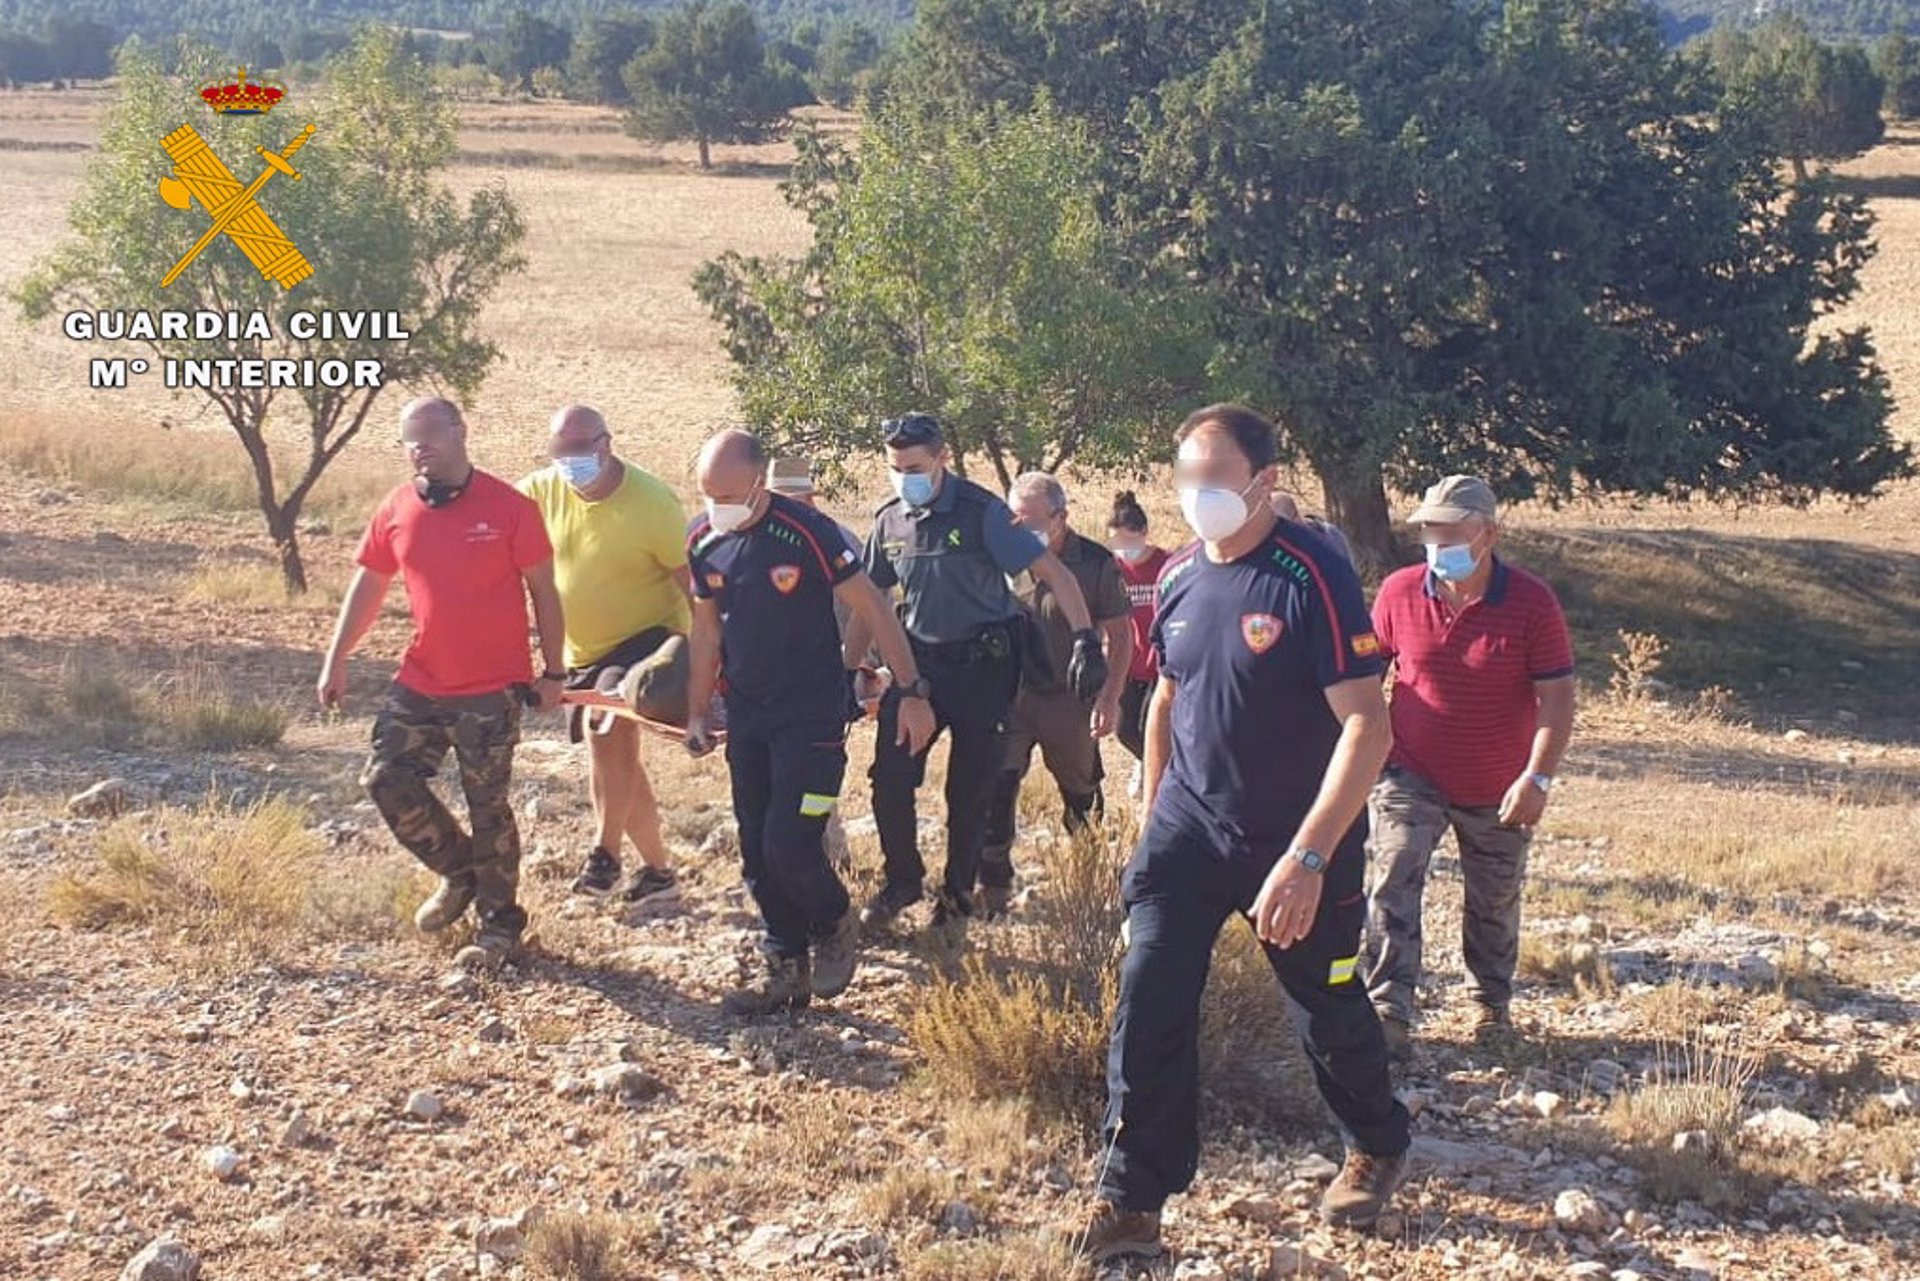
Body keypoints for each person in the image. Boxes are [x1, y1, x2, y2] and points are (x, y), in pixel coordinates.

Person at [1069, 404, 1411, 1263]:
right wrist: (1153, 815)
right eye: (1186, 476)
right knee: (1148, 997)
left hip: (1295, 843)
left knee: (1325, 1005)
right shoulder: (1181, 578)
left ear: (1264, 483)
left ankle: (1376, 1140)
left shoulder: (1311, 577)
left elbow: (1370, 727)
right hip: (1188, 832)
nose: (1198, 494)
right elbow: (1169, 700)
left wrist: (1308, 857)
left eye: (1216, 478)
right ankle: (1132, 1200)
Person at [683, 430, 936, 1014]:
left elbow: (874, 607)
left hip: (814, 720)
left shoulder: (806, 532)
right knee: (755, 849)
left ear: (757, 482)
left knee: (791, 841)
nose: (716, 505)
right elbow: (706, 631)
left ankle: (833, 922)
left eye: (727, 493)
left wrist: (911, 688)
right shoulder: (703, 541)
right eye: (705, 493)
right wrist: (697, 712)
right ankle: (785, 965)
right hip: (749, 717)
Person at [317, 397, 564, 970]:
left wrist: (552, 672)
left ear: (460, 432)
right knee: (386, 777)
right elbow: (368, 587)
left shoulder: (510, 508)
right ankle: (460, 874)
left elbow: (545, 594)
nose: (419, 447)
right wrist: (337, 658)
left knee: (488, 805)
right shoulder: (397, 508)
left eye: (429, 434)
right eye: (410, 439)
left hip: (491, 687)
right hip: (422, 680)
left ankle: (500, 926)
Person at [851, 414, 1108, 960]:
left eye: (914, 467)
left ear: (942, 458)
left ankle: (955, 904)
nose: (904, 479)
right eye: (895, 469)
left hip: (983, 668)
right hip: (917, 668)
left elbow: (1054, 574)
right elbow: (869, 603)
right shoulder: (890, 520)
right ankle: (902, 881)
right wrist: (848, 667)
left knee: (971, 791)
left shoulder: (982, 512)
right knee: (890, 778)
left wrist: (1086, 638)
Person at [1363, 475, 1575, 1057]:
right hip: (1410, 771)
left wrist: (1538, 777)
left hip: (1499, 782)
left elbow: (1557, 698)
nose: (1438, 542)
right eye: (1431, 530)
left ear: (1488, 534)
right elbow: (1368, 677)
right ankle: (1388, 1009)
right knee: (1393, 874)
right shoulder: (1399, 592)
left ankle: (1490, 1004)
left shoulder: (1532, 603)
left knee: (1495, 895)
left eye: (1452, 530)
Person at [517, 405, 692, 908]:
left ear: (605, 443)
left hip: (648, 638)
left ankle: (604, 855)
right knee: (618, 762)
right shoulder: (537, 492)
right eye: (559, 451)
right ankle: (660, 873)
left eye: (578, 449)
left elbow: (695, 589)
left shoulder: (652, 502)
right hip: (580, 649)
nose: (568, 461)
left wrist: (715, 658)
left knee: (606, 726)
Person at [976, 472, 1134, 917]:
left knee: (1081, 791)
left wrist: (1110, 697)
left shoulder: (1095, 562)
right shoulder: (1000, 557)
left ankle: (1090, 876)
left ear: (1061, 517)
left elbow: (1123, 637)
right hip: (1011, 693)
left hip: (1069, 697)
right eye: (1014, 519)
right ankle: (993, 888)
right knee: (997, 786)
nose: (1020, 529)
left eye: (1031, 521)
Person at [765, 455, 862, 869]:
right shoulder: (760, 539)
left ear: (809, 496)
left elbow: (865, 613)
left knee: (819, 775)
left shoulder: (839, 540)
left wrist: (850, 670)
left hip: (823, 684)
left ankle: (830, 851)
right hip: (771, 686)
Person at [1106, 491, 1170, 771]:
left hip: (1159, 663)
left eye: (1128, 541)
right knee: (1125, 730)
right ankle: (1148, 764)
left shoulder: (1166, 565)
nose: (1123, 548)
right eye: (1116, 541)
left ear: (1144, 532)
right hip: (1128, 664)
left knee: (1150, 725)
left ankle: (1157, 772)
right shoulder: (1112, 569)